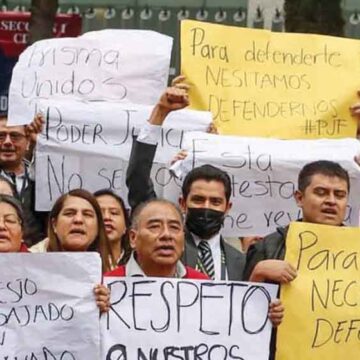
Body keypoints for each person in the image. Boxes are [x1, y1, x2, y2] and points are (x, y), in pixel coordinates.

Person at [126, 76, 244, 281]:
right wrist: (160, 113)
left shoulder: (241, 260)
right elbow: (138, 179)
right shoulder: (167, 245)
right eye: (198, 199)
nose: (206, 207)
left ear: (228, 207)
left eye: (215, 201)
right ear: (182, 202)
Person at [105, 198, 284, 327]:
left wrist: (263, 316)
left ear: (183, 238)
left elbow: (230, 332)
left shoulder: (203, 285)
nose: (166, 235)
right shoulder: (106, 287)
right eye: (154, 227)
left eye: (174, 228)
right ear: (133, 238)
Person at [243, 160, 349, 359]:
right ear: (299, 198)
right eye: (321, 192)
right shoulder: (268, 247)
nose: (331, 201)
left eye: (340, 195)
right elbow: (241, 319)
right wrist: (258, 274)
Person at [0, 111, 46, 246]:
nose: (7, 142)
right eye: (1, 136)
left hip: (39, 259)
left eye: (15, 136)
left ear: (27, 142)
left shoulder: (44, 175)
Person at [44, 189, 115, 273]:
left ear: (98, 226)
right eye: (69, 213)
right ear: (54, 225)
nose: (78, 219)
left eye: (87, 214)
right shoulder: (32, 267)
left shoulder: (116, 276)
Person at [94, 189, 131, 268]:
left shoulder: (139, 263)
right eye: (99, 213)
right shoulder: (79, 263)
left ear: (126, 226)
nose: (107, 217)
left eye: (114, 213)